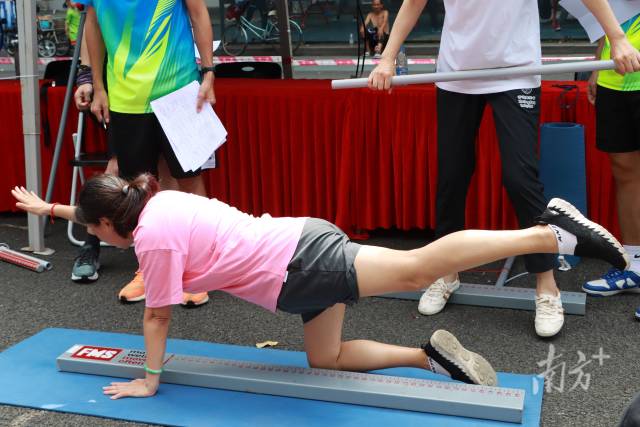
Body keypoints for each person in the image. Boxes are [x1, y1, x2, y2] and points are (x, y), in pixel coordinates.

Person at [10, 173, 629, 399]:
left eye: (92, 230)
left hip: (298, 264)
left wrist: (150, 380)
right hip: (296, 259)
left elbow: (157, 316)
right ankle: (431, 357)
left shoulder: (152, 239)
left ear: (108, 224)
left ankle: (546, 233)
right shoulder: (156, 201)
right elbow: (102, 217)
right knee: (325, 359)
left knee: (416, 268)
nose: (98, 238)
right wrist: (50, 208)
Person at [368, 0, 640, 338]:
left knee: (520, 178)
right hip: (457, 74)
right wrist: (387, 58)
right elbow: (413, 3)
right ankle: (446, 272)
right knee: (452, 176)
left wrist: (618, 38)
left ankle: (546, 285)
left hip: (515, 71)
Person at [79, 0, 216, 306]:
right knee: (137, 191)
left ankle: (199, 271)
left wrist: (208, 72)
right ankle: (148, 269)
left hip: (179, 88)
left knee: (190, 182)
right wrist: (98, 86)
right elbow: (93, 24)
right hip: (125, 97)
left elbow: (198, 11)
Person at [583, 14, 640, 320]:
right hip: (615, 74)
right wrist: (598, 64)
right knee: (624, 170)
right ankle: (635, 265)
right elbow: (612, 11)